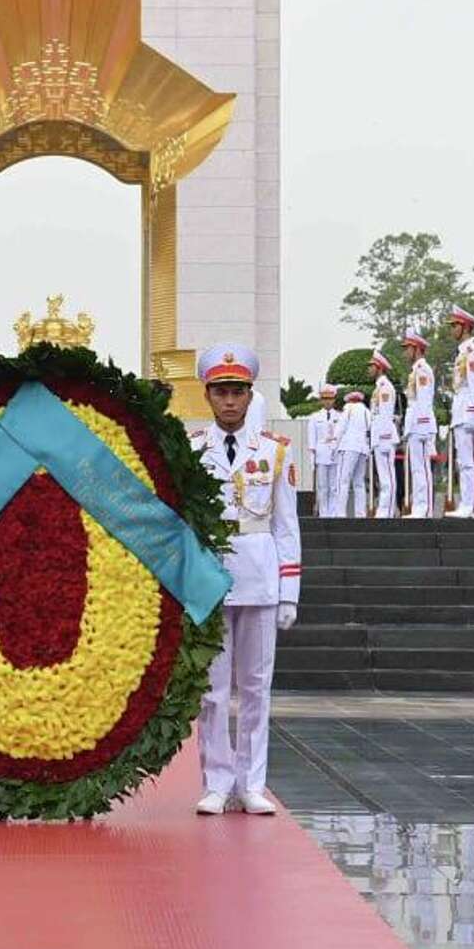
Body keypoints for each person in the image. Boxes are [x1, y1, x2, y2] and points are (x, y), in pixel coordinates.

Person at [191, 343, 302, 816]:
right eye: (221, 392)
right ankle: (217, 781)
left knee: (257, 687)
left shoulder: (274, 452)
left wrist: (289, 591)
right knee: (213, 691)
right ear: (209, 396)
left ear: (249, 393)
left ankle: (252, 782)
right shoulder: (193, 449)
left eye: (237, 391)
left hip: (259, 574)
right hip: (212, 577)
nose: (230, 401)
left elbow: (286, 526)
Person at [447, 307, 474, 517]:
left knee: (471, 462)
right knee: (463, 463)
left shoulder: (472, 352)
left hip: (469, 413)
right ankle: (467, 504)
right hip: (460, 411)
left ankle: (473, 507)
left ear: (465, 327)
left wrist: (472, 414)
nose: (452, 329)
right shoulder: (463, 352)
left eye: (455, 325)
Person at [400, 329, 437, 519]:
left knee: (422, 468)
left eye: (407, 348)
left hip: (421, 424)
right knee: (416, 469)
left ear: (416, 348)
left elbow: (423, 399)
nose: (405, 352)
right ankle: (419, 507)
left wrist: (422, 425)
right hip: (414, 425)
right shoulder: (416, 370)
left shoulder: (422, 369)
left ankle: (425, 509)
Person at [368, 349, 400, 518]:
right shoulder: (379, 387)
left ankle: (386, 511)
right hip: (379, 438)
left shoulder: (385, 387)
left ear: (379, 367)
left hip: (384, 438)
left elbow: (386, 415)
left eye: (372, 366)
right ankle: (384, 510)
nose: (369, 369)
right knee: (384, 477)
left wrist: (384, 437)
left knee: (387, 477)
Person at [333, 389, 372, 518]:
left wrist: (334, 446)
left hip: (348, 447)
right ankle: (360, 513)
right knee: (359, 482)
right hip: (363, 448)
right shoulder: (367, 412)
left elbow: (340, 429)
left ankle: (340, 513)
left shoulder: (348, 409)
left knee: (342, 480)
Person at [308, 385, 342, 518]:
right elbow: (312, 440)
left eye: (330, 398)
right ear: (321, 400)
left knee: (334, 486)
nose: (328, 401)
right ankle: (323, 513)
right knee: (322, 487)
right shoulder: (315, 417)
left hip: (335, 454)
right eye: (325, 399)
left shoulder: (340, 416)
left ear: (334, 400)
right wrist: (312, 458)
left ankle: (333, 513)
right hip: (321, 455)